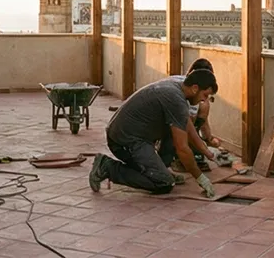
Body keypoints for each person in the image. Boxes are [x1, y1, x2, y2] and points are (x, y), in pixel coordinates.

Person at [89, 69, 219, 198]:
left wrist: (208, 153)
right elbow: (182, 149)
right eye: (205, 95)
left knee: (175, 131)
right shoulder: (175, 99)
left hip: (131, 135)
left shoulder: (179, 86)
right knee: (164, 183)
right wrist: (200, 178)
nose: (204, 100)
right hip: (125, 142)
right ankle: (107, 167)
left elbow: (186, 126)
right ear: (195, 88)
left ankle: (158, 170)